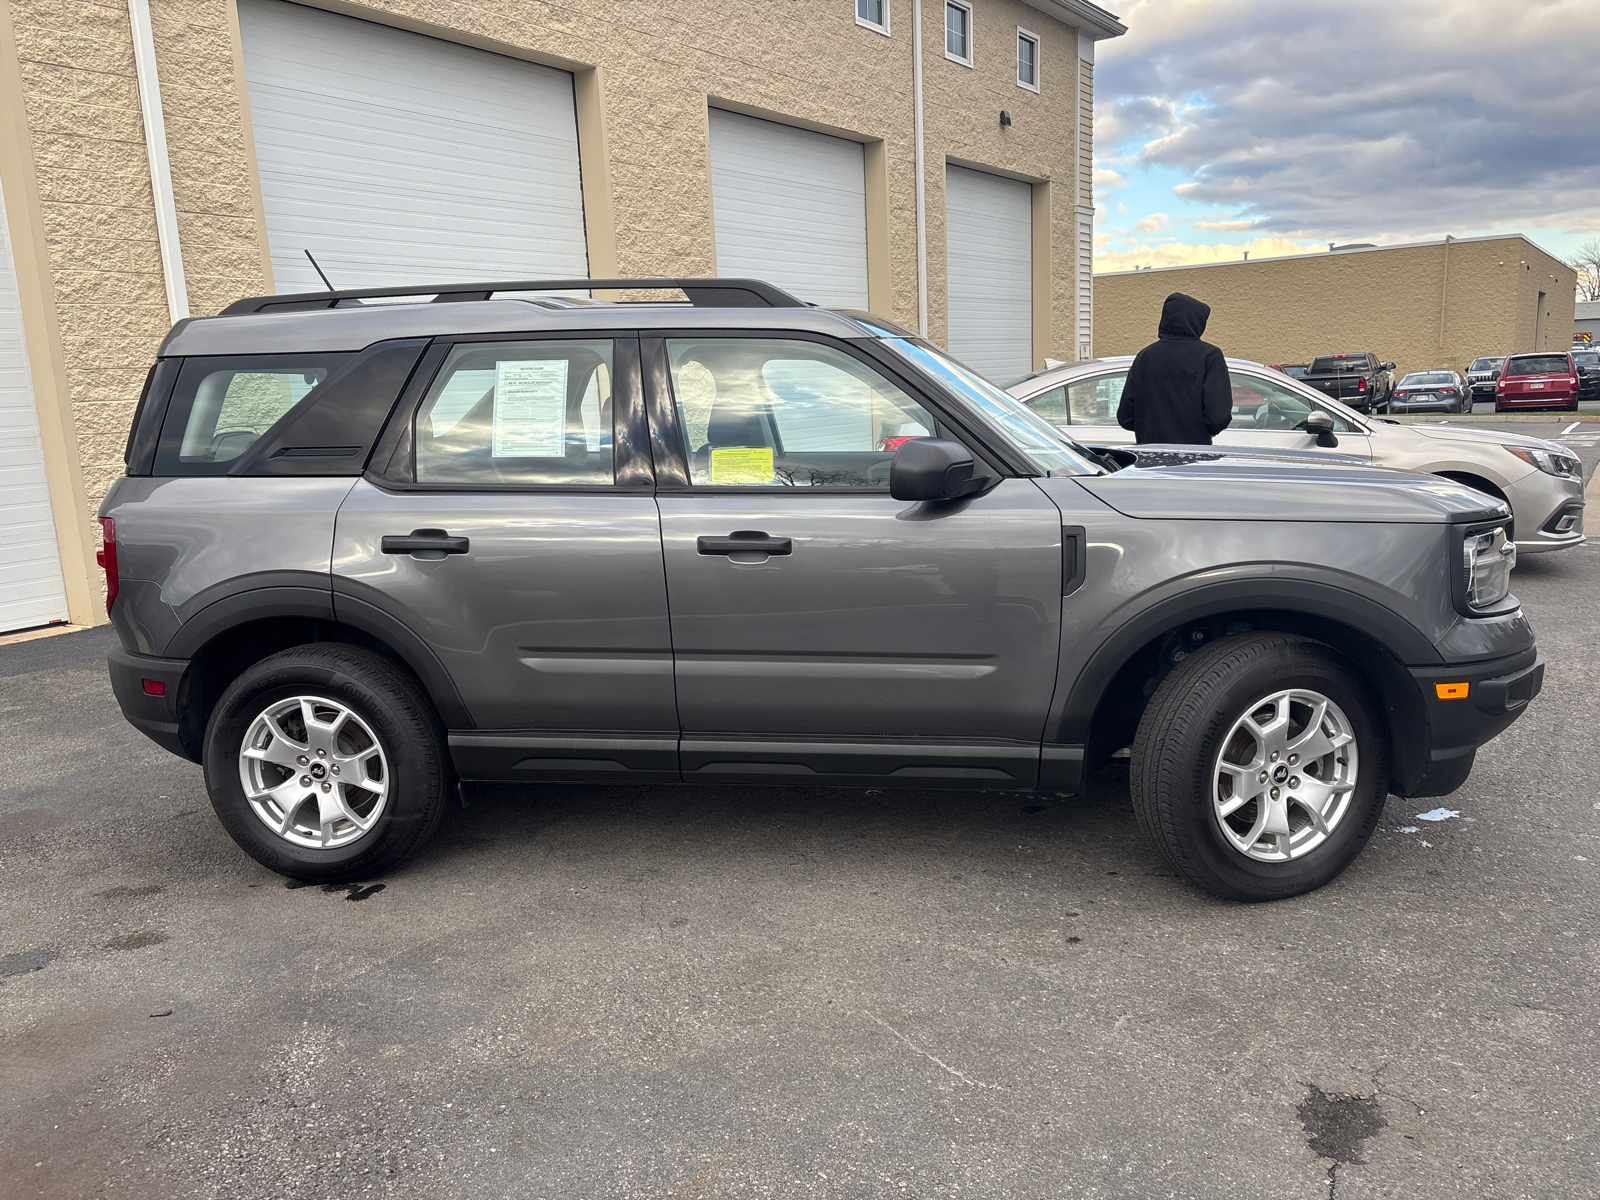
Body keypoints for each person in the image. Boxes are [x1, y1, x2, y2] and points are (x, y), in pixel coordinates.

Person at [1115, 292, 1233, 445]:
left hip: (1150, 454)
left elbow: (1126, 416)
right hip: (1194, 454)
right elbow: (1218, 416)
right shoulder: (1209, 356)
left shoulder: (1145, 356)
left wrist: (1149, 431)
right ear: (1197, 321)